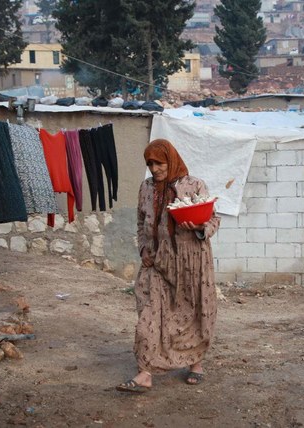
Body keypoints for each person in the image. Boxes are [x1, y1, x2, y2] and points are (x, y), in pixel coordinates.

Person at [116, 138, 221, 393]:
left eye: (158, 163)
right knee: (149, 313)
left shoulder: (193, 185)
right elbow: (141, 223)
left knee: (192, 312)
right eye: (149, 163)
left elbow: (213, 219)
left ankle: (195, 363)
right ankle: (144, 373)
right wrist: (143, 249)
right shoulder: (146, 188)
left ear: (170, 160)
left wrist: (198, 227)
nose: (154, 168)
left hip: (191, 261)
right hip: (157, 262)